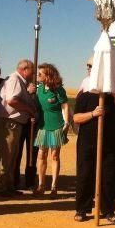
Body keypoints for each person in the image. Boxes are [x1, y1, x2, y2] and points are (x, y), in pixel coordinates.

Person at [73, 88, 115, 222]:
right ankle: (82, 209)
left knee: (108, 178)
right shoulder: (84, 96)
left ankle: (108, 210)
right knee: (85, 175)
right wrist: (93, 114)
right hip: (87, 143)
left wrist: (111, 90)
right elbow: (76, 118)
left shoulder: (113, 96)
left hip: (109, 143)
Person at [0, 59, 37, 197]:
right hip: (8, 122)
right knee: (6, 154)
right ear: (25, 69)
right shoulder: (15, 79)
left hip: (12, 123)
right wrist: (29, 109)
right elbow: (12, 100)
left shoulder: (19, 81)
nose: (32, 74)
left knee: (12, 155)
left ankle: (8, 186)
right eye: (32, 71)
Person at [33, 63, 70, 196]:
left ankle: (54, 186)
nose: (38, 76)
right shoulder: (39, 89)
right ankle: (41, 185)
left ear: (48, 75)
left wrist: (66, 122)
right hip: (43, 125)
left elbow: (65, 106)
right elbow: (35, 104)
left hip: (56, 125)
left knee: (54, 155)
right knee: (41, 154)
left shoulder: (58, 90)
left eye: (40, 74)